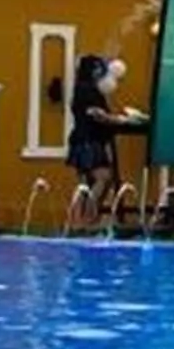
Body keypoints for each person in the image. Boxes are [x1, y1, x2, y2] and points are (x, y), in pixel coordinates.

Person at [65, 55, 140, 225]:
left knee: (86, 185)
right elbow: (98, 115)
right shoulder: (88, 90)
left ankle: (80, 221)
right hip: (88, 141)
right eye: (97, 68)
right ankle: (86, 219)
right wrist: (121, 120)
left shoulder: (82, 89)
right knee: (103, 178)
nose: (101, 71)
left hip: (82, 140)